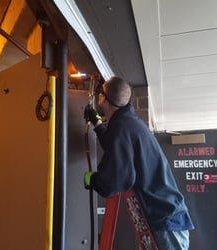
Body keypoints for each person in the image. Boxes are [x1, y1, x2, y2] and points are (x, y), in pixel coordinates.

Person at [83, 76, 194, 250]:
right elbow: (117, 148)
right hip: (168, 218)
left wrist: (94, 180)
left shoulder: (122, 128)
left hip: (165, 222)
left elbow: (117, 180)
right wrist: (97, 123)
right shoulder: (130, 123)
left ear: (103, 98)